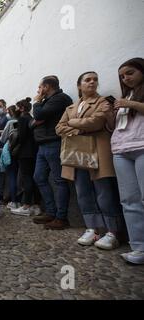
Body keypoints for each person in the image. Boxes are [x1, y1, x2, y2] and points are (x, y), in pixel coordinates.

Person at [56, 71, 124, 249]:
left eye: (95, 80)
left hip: (98, 152)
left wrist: (72, 125)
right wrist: (79, 126)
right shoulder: (71, 108)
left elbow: (97, 121)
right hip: (76, 154)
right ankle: (92, 228)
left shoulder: (103, 102)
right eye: (87, 80)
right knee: (83, 192)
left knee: (104, 192)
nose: (92, 82)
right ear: (79, 85)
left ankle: (113, 231)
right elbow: (58, 128)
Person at [111, 58, 144, 264]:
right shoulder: (126, 96)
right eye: (122, 76)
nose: (126, 78)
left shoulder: (129, 99)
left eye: (130, 73)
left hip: (141, 146)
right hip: (121, 149)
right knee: (129, 200)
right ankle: (139, 247)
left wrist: (129, 104)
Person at [31, 76, 73, 230]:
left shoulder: (60, 99)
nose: (38, 90)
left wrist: (36, 103)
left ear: (46, 86)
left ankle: (61, 217)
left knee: (59, 180)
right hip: (43, 145)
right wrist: (38, 116)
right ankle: (51, 211)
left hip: (54, 142)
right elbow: (32, 122)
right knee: (39, 177)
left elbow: (38, 116)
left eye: (40, 87)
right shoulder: (46, 102)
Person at [11, 98, 41, 216]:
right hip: (33, 151)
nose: (16, 109)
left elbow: (21, 136)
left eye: (18, 107)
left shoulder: (23, 118)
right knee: (33, 178)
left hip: (25, 153)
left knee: (26, 178)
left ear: (22, 108)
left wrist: (14, 145)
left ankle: (26, 205)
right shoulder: (31, 118)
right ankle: (36, 205)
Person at [0, 105, 21, 210]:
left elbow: (3, 138)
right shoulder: (25, 120)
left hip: (11, 151)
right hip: (21, 152)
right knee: (21, 177)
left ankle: (14, 201)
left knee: (12, 177)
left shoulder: (10, 122)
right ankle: (23, 201)